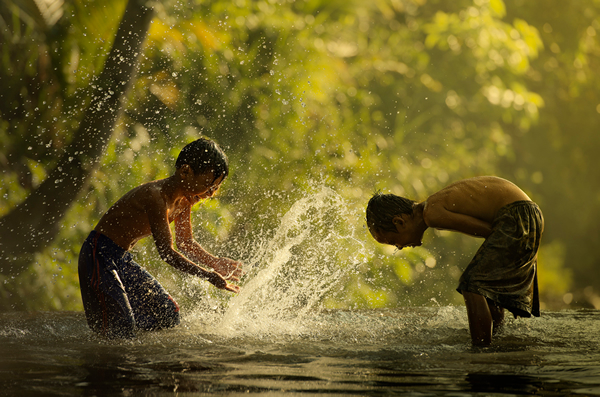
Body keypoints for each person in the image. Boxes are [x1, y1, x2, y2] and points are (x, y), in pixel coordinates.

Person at [78, 137, 243, 338]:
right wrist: (207, 274)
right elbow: (167, 253)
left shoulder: (184, 201)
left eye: (215, 188)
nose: (209, 193)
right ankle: (111, 349)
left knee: (167, 313)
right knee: (118, 327)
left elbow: (185, 242)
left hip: (121, 258)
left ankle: (131, 344)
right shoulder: (155, 197)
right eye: (208, 184)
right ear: (185, 172)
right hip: (98, 254)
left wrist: (214, 262)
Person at [366, 176, 544, 346]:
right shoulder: (434, 207)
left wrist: (517, 245)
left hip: (517, 214)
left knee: (471, 284)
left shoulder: (432, 213)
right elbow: (491, 233)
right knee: (487, 288)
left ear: (399, 222)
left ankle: (480, 350)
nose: (398, 247)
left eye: (392, 241)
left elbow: (489, 232)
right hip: (525, 213)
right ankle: (497, 340)